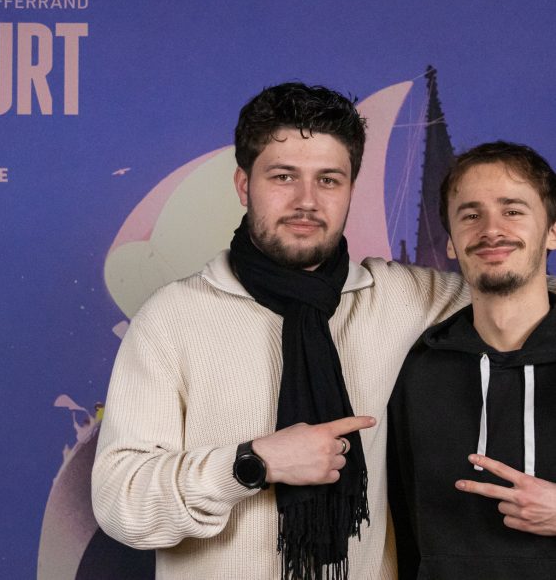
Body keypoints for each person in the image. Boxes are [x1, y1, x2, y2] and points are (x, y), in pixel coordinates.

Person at [91, 82, 469, 580]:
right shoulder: (173, 317)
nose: (306, 201)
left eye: (329, 180)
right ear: (243, 185)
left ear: (351, 190)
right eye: (284, 176)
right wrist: (252, 464)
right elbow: (120, 502)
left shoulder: (399, 298)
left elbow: (526, 295)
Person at [387, 141, 556, 580]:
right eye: (470, 215)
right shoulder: (416, 368)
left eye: (513, 210)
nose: (491, 230)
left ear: (552, 232)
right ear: (450, 243)